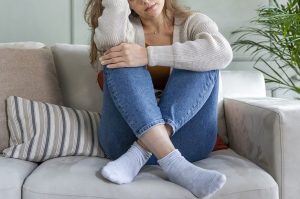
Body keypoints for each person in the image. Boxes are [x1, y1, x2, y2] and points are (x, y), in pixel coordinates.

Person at [84, 0, 233, 198]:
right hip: (124, 141)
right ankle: (175, 165)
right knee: (118, 56)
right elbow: (110, 41)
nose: (145, 0)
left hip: (189, 142)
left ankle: (143, 152)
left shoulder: (193, 23)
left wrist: (147, 55)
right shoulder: (124, 27)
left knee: (204, 61)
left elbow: (222, 53)